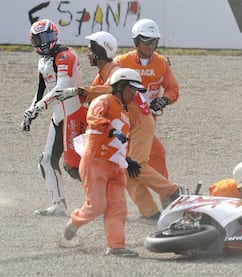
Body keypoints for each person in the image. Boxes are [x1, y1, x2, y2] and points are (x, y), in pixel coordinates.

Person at [57, 29, 182, 220]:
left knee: (138, 164)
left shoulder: (115, 70)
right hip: (128, 126)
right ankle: (150, 211)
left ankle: (172, 191)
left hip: (140, 121)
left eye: (91, 49)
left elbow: (108, 89)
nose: (88, 53)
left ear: (100, 51)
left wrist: (78, 90)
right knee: (127, 168)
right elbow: (92, 101)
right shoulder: (102, 75)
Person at [63, 68, 143, 257]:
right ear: (121, 86)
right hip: (95, 162)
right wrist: (110, 129)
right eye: (132, 90)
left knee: (118, 207)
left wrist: (127, 159)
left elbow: (119, 142)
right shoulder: (105, 100)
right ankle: (75, 221)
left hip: (115, 166)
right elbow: (93, 116)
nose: (135, 94)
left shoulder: (124, 113)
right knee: (97, 206)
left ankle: (116, 246)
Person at [113, 18, 181, 219]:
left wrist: (164, 100)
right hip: (123, 126)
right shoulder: (120, 62)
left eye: (153, 41)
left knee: (157, 155)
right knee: (130, 167)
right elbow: (105, 87)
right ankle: (154, 206)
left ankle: (168, 203)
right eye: (146, 41)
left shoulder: (161, 63)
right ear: (136, 41)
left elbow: (173, 88)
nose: (150, 45)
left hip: (145, 126)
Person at [21, 19, 87, 216]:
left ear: (56, 35)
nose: (43, 43)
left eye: (47, 38)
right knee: (46, 160)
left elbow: (62, 87)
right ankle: (58, 204)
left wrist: (39, 107)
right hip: (60, 116)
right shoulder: (43, 62)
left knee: (74, 166)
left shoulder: (65, 55)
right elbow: (41, 90)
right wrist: (30, 111)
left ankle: (106, 195)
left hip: (74, 114)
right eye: (39, 40)